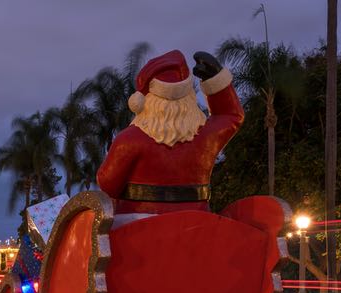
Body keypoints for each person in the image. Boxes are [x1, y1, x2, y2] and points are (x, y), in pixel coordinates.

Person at [97, 50, 243, 217]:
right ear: (189, 96)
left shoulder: (129, 140)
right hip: (198, 223)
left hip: (136, 226)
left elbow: (108, 185)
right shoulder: (207, 137)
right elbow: (231, 116)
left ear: (147, 100)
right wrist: (216, 81)